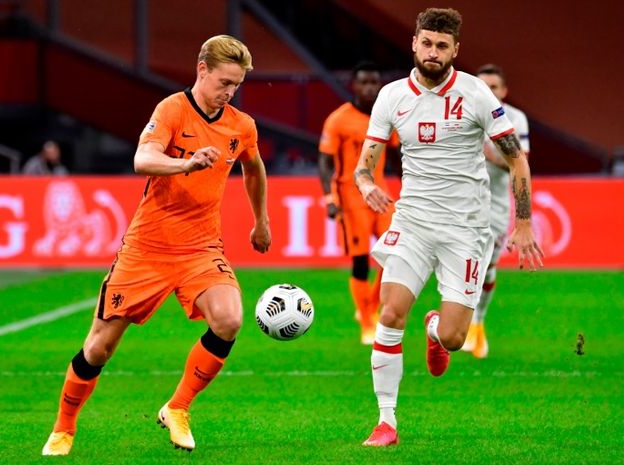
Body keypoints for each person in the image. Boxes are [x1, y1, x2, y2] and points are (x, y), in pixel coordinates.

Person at [41, 35, 271, 456]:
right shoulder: (171, 109)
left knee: (229, 319)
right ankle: (64, 428)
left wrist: (261, 221)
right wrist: (185, 163)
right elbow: (142, 159)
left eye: (236, 85)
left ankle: (178, 407)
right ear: (201, 69)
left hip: (201, 247)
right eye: (224, 82)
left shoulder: (241, 124)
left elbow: (253, 166)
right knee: (99, 347)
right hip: (147, 248)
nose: (229, 92)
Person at [353, 8, 544, 446]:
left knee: (457, 338)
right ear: (414, 44)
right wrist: (366, 187)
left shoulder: (477, 95)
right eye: (426, 43)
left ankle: (437, 328)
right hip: (413, 222)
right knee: (391, 312)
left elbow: (516, 158)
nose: (433, 52)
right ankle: (386, 422)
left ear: (455, 50)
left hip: (466, 229)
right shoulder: (391, 96)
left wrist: (524, 222)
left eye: (442, 45)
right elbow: (365, 166)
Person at [318, 61, 400, 345]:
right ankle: (366, 322)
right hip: (351, 196)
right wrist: (330, 198)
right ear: (354, 85)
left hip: (381, 194)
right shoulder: (339, 119)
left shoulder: (385, 118)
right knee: (361, 260)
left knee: (394, 255)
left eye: (373, 82)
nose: (369, 88)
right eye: (363, 82)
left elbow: (399, 154)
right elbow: (325, 160)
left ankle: (370, 308)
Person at [461, 64, 531, 358]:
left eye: (494, 87)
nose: (488, 92)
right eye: (482, 86)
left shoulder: (515, 119)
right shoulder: (462, 114)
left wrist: (489, 151)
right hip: (462, 201)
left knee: (487, 266)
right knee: (463, 265)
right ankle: (462, 325)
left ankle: (478, 322)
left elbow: (518, 163)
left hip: (497, 205)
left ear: (503, 91)